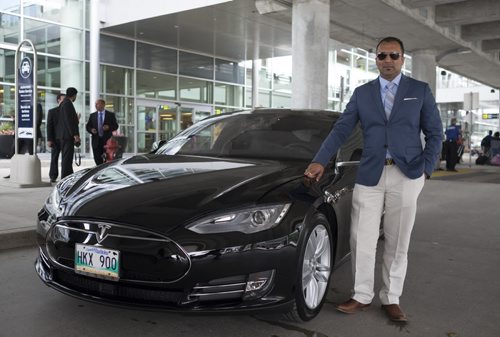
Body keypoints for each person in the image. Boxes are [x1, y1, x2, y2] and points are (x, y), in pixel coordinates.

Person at [304, 37, 442, 323]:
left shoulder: (420, 90)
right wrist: (319, 159)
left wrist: (426, 170)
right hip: (369, 174)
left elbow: (435, 134)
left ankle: (391, 298)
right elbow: (341, 129)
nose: (388, 60)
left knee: (397, 238)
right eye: (382, 55)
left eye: (394, 55)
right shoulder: (362, 93)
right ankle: (362, 295)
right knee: (361, 238)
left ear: (403, 59)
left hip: (407, 174)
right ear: (376, 59)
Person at [85, 98, 119, 165]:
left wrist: (109, 127)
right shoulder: (92, 115)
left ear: (103, 105)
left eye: (97, 104)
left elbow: (116, 126)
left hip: (107, 141)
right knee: (97, 159)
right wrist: (91, 130)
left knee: (108, 159)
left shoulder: (110, 115)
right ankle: (99, 171)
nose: (96, 105)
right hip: (96, 141)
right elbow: (88, 126)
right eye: (95, 104)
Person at [58, 87, 80, 179]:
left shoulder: (63, 103)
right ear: (74, 95)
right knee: (67, 159)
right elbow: (68, 121)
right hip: (67, 136)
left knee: (67, 158)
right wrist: (75, 135)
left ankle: (68, 177)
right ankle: (66, 178)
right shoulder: (68, 104)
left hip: (64, 135)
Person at [46, 93, 65, 183]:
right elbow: (49, 126)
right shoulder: (52, 111)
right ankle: (53, 176)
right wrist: (49, 139)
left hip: (66, 139)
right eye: (63, 99)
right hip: (55, 139)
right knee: (54, 158)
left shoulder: (69, 112)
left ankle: (65, 176)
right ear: (58, 100)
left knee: (66, 159)